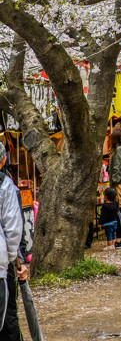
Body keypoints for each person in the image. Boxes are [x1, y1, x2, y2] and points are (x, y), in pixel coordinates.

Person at [0, 142, 27, 341]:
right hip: (3, 263)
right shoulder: (6, 185)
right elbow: (14, 228)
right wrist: (15, 259)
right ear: (3, 160)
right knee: (7, 316)